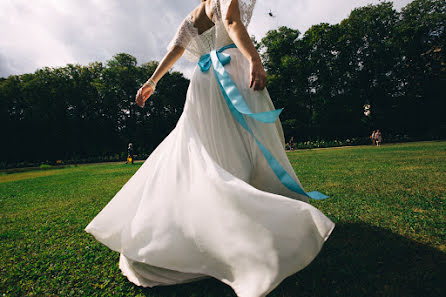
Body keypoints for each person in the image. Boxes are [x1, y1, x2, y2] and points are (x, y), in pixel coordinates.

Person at [85, 1, 334, 296]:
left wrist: (152, 82)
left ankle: (211, 222)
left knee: (205, 151)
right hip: (231, 71)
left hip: (203, 82)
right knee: (249, 144)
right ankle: (251, 219)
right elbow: (231, 22)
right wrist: (254, 58)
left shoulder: (192, 15)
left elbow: (177, 49)